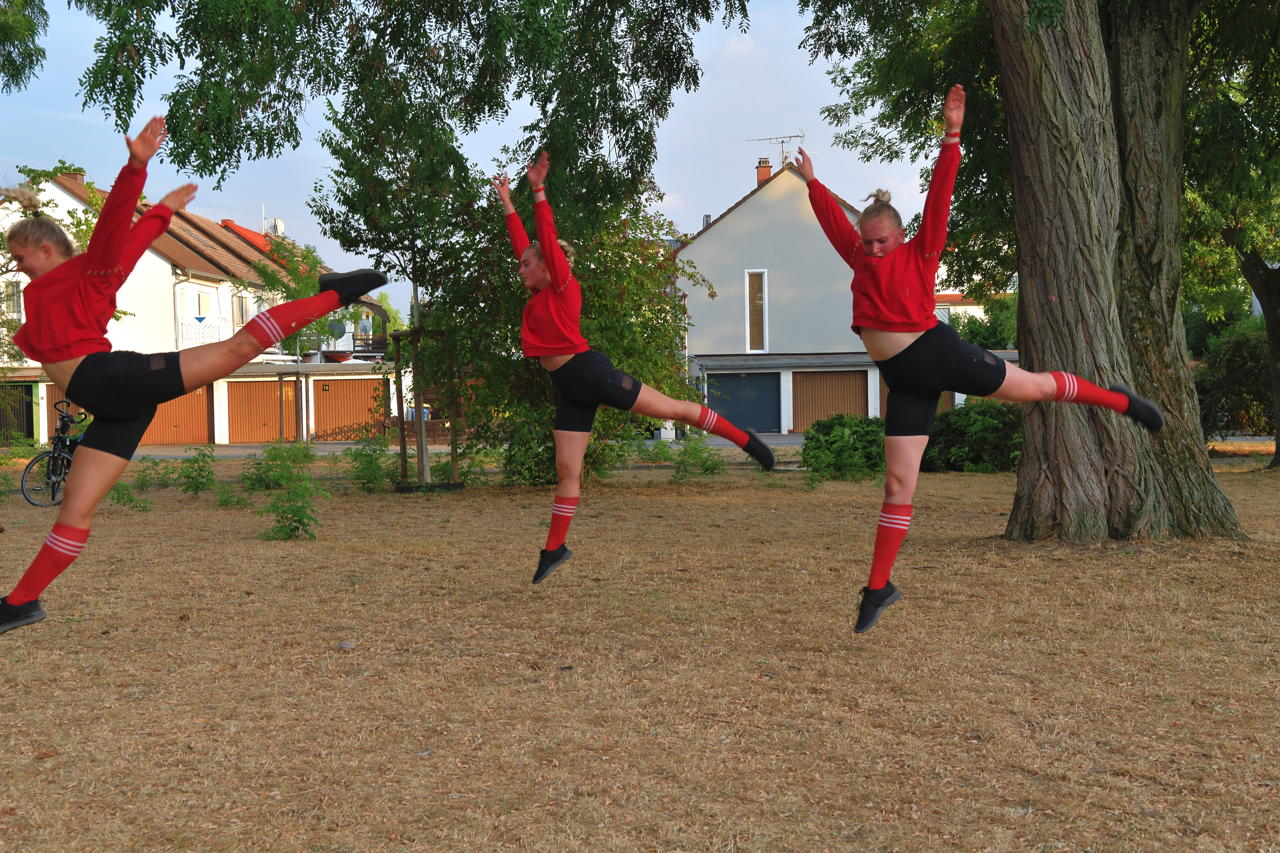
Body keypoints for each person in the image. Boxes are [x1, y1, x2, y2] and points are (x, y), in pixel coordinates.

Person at [795, 85, 1163, 634]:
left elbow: (940, 196)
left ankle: (1122, 401)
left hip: (940, 354)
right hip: (905, 382)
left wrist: (952, 136)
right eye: (867, 242)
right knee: (898, 487)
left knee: (1036, 388)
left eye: (881, 242)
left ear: (900, 237)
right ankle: (878, 588)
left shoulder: (920, 251)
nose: (873, 250)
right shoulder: (855, 255)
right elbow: (828, 216)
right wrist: (811, 182)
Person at [0, 116, 387, 636]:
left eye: (19, 256)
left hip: (114, 379)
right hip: (112, 406)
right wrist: (161, 214)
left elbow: (118, 232)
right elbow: (134, 242)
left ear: (46, 248)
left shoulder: (84, 271)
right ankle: (21, 603)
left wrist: (136, 168)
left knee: (236, 350)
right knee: (75, 508)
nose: (16, 266)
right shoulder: (45, 291)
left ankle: (338, 291)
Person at [494, 151, 775, 584]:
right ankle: (554, 548)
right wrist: (509, 204)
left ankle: (745, 438)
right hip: (569, 388)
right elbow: (526, 247)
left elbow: (544, 241)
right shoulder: (537, 294)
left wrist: (538, 190)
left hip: (592, 374)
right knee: (567, 472)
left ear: (549, 267)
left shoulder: (564, 289)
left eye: (527, 264)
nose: (520, 268)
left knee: (675, 409)